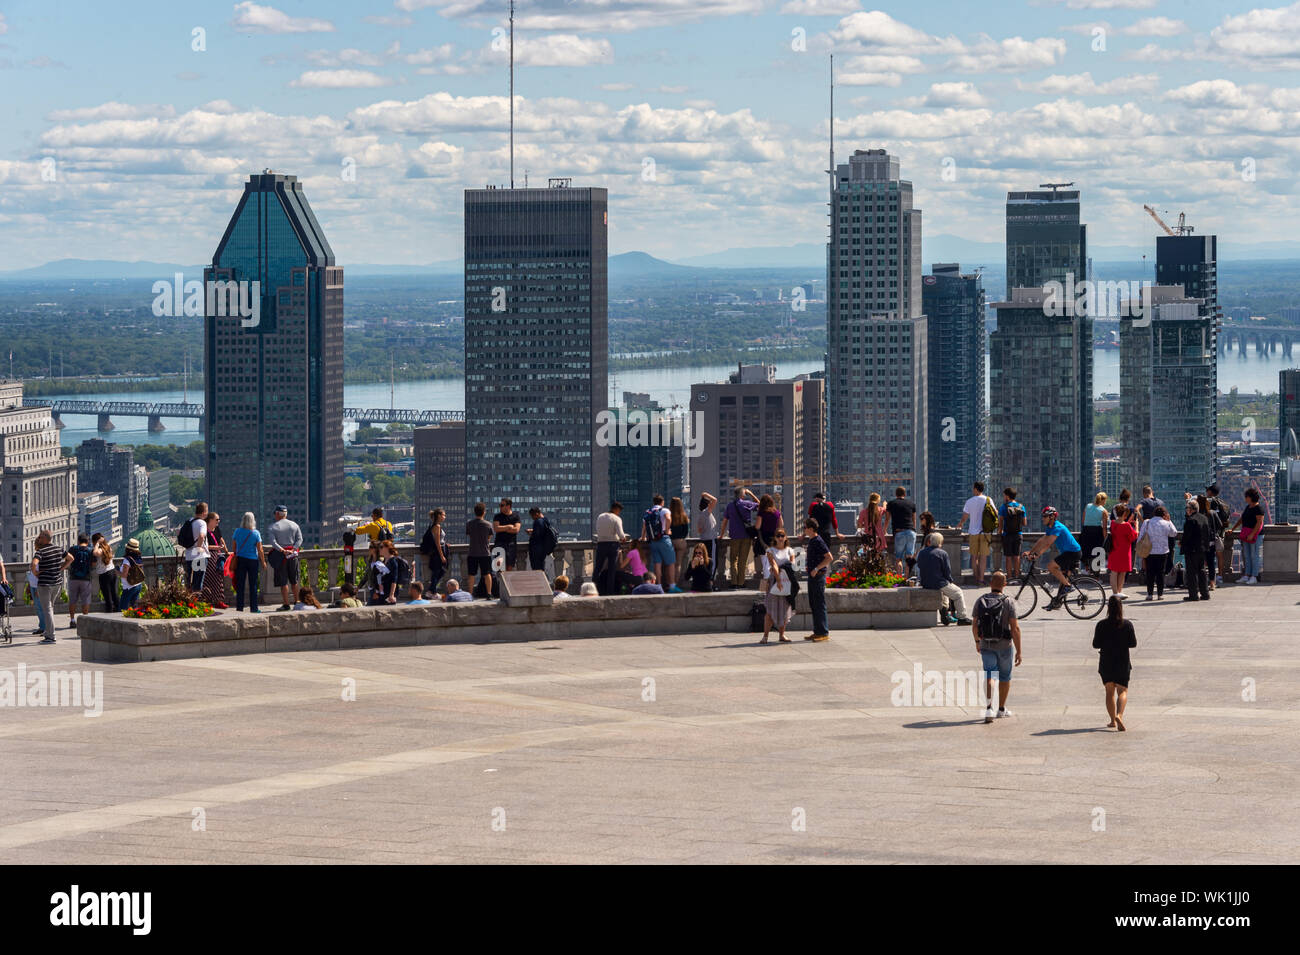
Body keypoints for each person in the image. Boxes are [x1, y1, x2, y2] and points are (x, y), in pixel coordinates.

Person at [972, 571, 1021, 723]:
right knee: (1005, 677)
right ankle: (1001, 709)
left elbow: (974, 625)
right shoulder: (1009, 602)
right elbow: (1015, 629)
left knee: (990, 675)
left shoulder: (981, 601)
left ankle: (988, 709)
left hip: (986, 644)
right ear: (1004, 584)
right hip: (1005, 645)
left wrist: (977, 642)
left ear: (990, 583)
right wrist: (1019, 651)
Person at [1024, 506, 1083, 610]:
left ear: (1051, 517)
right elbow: (1041, 540)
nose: (1043, 518)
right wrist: (1031, 551)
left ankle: (1069, 586)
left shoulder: (1057, 527)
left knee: (1051, 566)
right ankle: (1056, 603)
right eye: (1043, 516)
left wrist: (1036, 555)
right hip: (1068, 552)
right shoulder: (1050, 527)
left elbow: (1047, 544)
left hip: (1073, 553)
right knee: (1063, 579)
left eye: (1045, 516)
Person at [1093, 595, 1136, 731]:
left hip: (1106, 661)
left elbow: (1095, 644)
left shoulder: (1101, 624)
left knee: (1109, 691)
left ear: (1108, 608)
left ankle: (1112, 721)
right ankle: (1119, 715)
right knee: (1122, 691)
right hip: (1122, 661)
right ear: (1121, 608)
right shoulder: (1127, 624)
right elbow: (1133, 643)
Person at [917, 532, 971, 626]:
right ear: (940, 542)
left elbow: (919, 565)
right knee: (958, 593)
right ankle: (962, 617)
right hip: (938, 582)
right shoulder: (942, 553)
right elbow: (947, 571)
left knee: (945, 591)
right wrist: (950, 581)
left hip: (925, 582)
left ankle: (945, 615)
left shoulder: (922, 552)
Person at [759, 529, 796, 645]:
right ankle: (765, 636)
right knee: (770, 610)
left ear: (785, 538)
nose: (780, 538)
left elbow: (793, 564)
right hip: (775, 581)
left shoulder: (790, 550)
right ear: (775, 538)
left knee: (785, 608)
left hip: (787, 581)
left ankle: (782, 634)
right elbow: (773, 564)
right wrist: (778, 579)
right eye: (778, 535)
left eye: (782, 535)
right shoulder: (770, 550)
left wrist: (783, 570)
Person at [31, 529, 67, 642]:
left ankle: (51, 636)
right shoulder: (59, 549)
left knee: (47, 609)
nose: (39, 539)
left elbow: (34, 563)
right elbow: (71, 558)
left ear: (46, 538)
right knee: (50, 608)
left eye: (41, 537)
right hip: (57, 583)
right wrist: (62, 568)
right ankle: (48, 631)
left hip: (45, 584)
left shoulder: (40, 552)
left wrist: (35, 573)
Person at [720, 487, 759, 588]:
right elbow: (760, 504)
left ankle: (734, 583)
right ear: (742, 494)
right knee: (743, 560)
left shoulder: (730, 506)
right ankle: (741, 583)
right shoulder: (747, 503)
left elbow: (724, 521)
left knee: (733, 560)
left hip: (734, 536)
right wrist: (751, 493)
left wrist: (721, 534)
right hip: (746, 536)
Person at [1136, 506, 1178, 600]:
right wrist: (1169, 520)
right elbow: (1174, 533)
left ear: (1154, 513)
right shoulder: (1166, 523)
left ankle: (1150, 594)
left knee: (1150, 572)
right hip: (1163, 551)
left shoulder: (1147, 522)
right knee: (1160, 573)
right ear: (1164, 515)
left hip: (1149, 551)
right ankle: (1160, 594)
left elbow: (1140, 536)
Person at [266, 505, 303, 612]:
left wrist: (282, 550)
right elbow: (300, 539)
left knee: (283, 582)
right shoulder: (294, 525)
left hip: (281, 556)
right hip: (293, 555)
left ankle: (286, 604)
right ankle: (297, 602)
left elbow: (273, 542)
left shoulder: (273, 527)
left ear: (277, 514)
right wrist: (293, 549)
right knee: (294, 580)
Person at [230, 512, 268, 613]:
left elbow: (234, 547)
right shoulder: (256, 533)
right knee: (253, 585)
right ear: (253, 521)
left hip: (241, 559)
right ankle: (254, 608)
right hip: (252, 561)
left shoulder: (237, 531)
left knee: (240, 584)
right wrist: (263, 562)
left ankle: (239, 607)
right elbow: (260, 550)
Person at [801, 517, 831, 642]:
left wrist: (816, 569)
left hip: (818, 576)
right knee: (813, 604)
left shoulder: (818, 541)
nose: (804, 530)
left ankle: (823, 632)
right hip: (813, 576)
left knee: (819, 604)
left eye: (805, 528)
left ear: (811, 529)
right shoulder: (812, 540)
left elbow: (829, 557)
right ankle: (817, 631)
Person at [959, 481, 994, 585]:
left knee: (974, 557)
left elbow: (965, 517)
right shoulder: (988, 500)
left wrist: (960, 524)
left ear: (975, 489)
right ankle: (981, 579)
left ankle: (976, 578)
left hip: (973, 532)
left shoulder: (970, 501)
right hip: (985, 532)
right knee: (983, 557)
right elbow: (995, 513)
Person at [640, 494, 675, 591]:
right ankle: (672, 586)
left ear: (653, 502)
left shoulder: (649, 512)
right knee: (670, 563)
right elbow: (668, 518)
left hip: (653, 541)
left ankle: (659, 585)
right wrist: (667, 530)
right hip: (664, 539)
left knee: (657, 563)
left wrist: (643, 537)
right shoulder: (664, 510)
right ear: (662, 502)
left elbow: (644, 526)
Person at [1180, 499, 1213, 601]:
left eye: (1187, 508)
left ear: (1191, 509)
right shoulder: (1204, 518)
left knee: (1192, 573)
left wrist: (1182, 544)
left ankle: (1193, 595)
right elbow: (1208, 534)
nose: (1186, 510)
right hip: (1202, 550)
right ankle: (1205, 594)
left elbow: (1186, 536)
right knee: (1202, 571)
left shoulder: (1190, 520)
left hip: (1191, 550)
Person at [1231, 487, 1266, 584]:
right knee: (1246, 555)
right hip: (1246, 534)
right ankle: (1247, 575)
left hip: (1256, 535)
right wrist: (1233, 529)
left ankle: (1254, 576)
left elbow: (1259, 523)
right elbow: (1242, 519)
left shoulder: (1259, 508)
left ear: (1251, 497)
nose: (1245, 498)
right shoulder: (1248, 507)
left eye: (1246, 496)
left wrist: (1252, 534)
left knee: (1254, 555)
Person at [595, 502, 630, 596]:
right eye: (619, 511)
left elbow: (597, 529)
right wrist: (623, 539)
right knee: (611, 569)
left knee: (597, 568)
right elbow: (621, 535)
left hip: (601, 544)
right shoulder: (616, 518)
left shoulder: (600, 516)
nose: (619, 513)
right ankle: (609, 592)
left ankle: (594, 589)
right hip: (612, 545)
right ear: (616, 509)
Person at [1106, 503, 1139, 599]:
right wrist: (1136, 525)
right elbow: (1134, 536)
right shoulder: (1127, 526)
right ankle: (1119, 591)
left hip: (1114, 550)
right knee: (1122, 572)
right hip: (1124, 551)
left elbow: (1119, 525)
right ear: (1125, 514)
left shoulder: (1113, 523)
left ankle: (1115, 592)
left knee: (1114, 572)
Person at [65, 532, 96, 629]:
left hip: (73, 578)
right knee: (85, 600)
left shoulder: (73, 549)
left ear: (78, 541)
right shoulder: (90, 551)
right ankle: (85, 620)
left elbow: (67, 560)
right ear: (88, 541)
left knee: (73, 600)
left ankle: (72, 620)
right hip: (86, 579)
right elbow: (94, 564)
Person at [753, 494, 783, 591]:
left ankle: (764, 590)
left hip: (764, 542)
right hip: (774, 541)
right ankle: (775, 587)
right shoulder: (777, 513)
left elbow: (757, 526)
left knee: (765, 567)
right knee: (774, 565)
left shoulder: (762, 513)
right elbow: (781, 525)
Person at [886, 486, 918, 576]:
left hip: (899, 532)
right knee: (909, 558)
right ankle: (907, 578)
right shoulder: (911, 504)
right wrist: (914, 530)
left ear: (896, 494)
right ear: (905, 494)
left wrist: (884, 530)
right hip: (911, 532)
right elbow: (914, 519)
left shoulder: (891, 503)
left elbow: (887, 519)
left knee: (898, 559)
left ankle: (899, 578)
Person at [465, 502, 495, 599]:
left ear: (475, 512)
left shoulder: (469, 524)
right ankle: (489, 593)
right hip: (485, 553)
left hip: (472, 552)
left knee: (471, 574)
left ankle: (470, 594)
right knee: (487, 574)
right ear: (484, 512)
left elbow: (469, 535)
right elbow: (489, 537)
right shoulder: (488, 524)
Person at [200, 511, 229, 609]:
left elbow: (221, 539)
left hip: (218, 556)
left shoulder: (216, 529)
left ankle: (219, 600)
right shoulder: (204, 531)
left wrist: (225, 549)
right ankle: (206, 601)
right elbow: (204, 546)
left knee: (219, 578)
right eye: (217, 520)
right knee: (209, 579)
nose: (218, 521)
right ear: (210, 520)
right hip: (209, 556)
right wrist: (217, 547)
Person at [1205, 483, 1231, 587]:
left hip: (1211, 533)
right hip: (1221, 532)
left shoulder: (1210, 502)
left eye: (1207, 491)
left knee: (1208, 556)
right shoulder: (1223, 503)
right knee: (1219, 555)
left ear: (1210, 492)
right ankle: (1220, 576)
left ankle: (1209, 577)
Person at [997, 488, 1027, 577]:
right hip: (1018, 534)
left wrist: (999, 532)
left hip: (1007, 535)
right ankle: (1017, 577)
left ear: (1007, 496)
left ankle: (1009, 577)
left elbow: (1000, 523)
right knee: (1017, 556)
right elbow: (1025, 523)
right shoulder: (1021, 507)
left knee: (1008, 557)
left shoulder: (1003, 507)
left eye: (1004, 495)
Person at [182, 501, 209, 592]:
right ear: (203, 512)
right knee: (197, 583)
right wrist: (198, 548)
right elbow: (201, 536)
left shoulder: (189, 521)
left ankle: (190, 603)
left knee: (190, 582)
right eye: (206, 511)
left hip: (189, 555)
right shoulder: (202, 523)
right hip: (199, 556)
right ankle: (196, 603)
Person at [419, 508, 449, 594]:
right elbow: (437, 543)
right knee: (438, 571)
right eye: (443, 515)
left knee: (439, 571)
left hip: (438, 551)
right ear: (439, 516)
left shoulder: (434, 525)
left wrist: (445, 543)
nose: (444, 517)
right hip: (437, 552)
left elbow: (440, 540)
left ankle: (432, 590)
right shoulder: (437, 526)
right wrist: (442, 556)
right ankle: (432, 591)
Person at [1081, 492, 1110, 575]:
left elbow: (1083, 521)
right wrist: (1105, 538)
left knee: (1086, 551)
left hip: (1086, 531)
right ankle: (1096, 576)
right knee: (1097, 553)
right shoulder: (1104, 511)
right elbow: (1104, 527)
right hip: (1097, 532)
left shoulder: (1088, 506)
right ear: (1103, 500)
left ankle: (1087, 569)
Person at [695, 493, 721, 588]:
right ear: (707, 505)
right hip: (711, 540)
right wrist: (705, 494)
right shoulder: (706, 512)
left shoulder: (700, 515)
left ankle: (706, 583)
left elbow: (699, 530)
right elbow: (715, 499)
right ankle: (710, 583)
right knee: (713, 563)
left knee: (706, 562)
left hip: (704, 540)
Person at [525, 506, 558, 575]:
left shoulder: (537, 522)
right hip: (543, 549)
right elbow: (543, 532)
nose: (532, 518)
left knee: (536, 569)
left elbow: (536, 536)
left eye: (532, 516)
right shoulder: (545, 520)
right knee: (541, 568)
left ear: (536, 514)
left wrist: (531, 533)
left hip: (536, 550)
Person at [91, 532, 118, 613]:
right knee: (113, 593)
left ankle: (109, 611)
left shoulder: (100, 550)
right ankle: (118, 608)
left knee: (107, 594)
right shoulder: (108, 547)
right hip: (112, 572)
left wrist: (97, 543)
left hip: (105, 574)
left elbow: (94, 553)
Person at [492, 498, 522, 572]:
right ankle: (501, 582)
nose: (500, 507)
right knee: (499, 566)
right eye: (500, 505)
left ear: (508, 506)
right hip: (499, 543)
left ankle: (506, 583)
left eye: (502, 505)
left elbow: (516, 530)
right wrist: (508, 527)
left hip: (511, 544)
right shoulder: (497, 516)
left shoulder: (516, 516)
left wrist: (502, 528)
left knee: (509, 566)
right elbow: (496, 528)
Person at [667, 496, 690, 591]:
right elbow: (685, 532)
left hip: (670, 542)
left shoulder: (668, 516)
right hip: (680, 542)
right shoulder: (683, 516)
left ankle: (669, 584)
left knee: (669, 564)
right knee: (678, 564)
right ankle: (675, 585)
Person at [118, 538, 147, 611]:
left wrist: (117, 571)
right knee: (135, 608)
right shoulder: (139, 558)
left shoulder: (127, 560)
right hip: (138, 584)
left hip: (129, 587)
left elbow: (124, 575)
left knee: (122, 608)